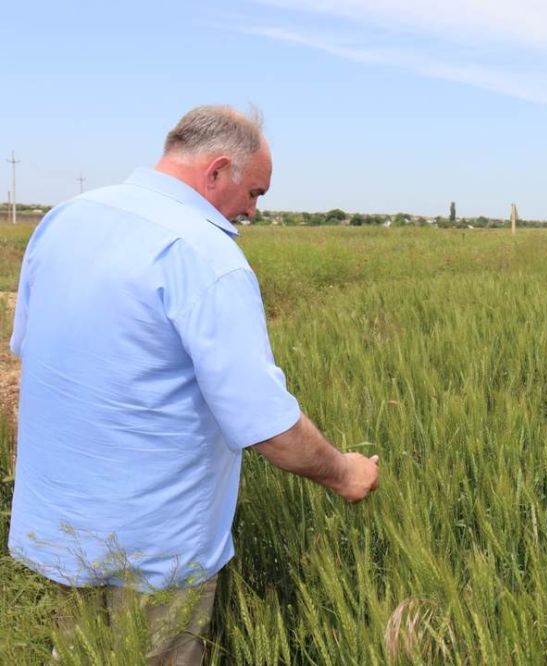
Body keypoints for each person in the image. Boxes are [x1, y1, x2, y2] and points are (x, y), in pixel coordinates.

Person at [7, 105, 379, 664]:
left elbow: (32, 352)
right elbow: (265, 425)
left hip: (61, 527)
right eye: (254, 192)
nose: (253, 211)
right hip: (153, 548)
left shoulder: (65, 219)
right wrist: (347, 472)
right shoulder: (204, 254)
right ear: (217, 171)